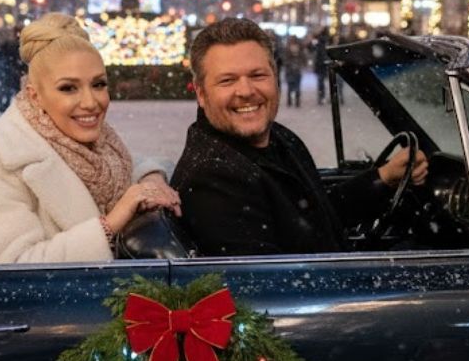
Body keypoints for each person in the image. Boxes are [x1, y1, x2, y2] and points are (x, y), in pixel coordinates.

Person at [171, 18, 427, 257]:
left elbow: (316, 215)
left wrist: (383, 178)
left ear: (275, 77)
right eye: (228, 80)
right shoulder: (213, 177)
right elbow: (271, 283)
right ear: (201, 94)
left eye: (257, 75)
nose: (246, 91)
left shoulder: (279, 137)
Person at [0, 13, 180, 264]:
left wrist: (150, 178)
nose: (90, 102)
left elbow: (130, 166)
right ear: (34, 96)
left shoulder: (103, 147)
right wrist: (109, 224)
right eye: (68, 88)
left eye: (98, 84)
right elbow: (11, 270)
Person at [282, 35, 308, 107]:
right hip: (291, 71)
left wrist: (301, 65)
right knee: (292, 86)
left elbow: (304, 59)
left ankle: (295, 101)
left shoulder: (299, 51)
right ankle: (292, 101)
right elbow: (284, 60)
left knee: (295, 86)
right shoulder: (287, 51)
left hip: (295, 71)